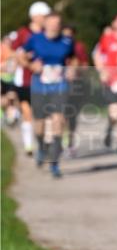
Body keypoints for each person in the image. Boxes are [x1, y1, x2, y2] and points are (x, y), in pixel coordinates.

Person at [17, 12, 76, 178]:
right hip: (40, 86)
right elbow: (20, 56)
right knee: (40, 123)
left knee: (58, 121)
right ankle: (42, 147)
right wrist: (30, 65)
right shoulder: (35, 39)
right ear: (45, 24)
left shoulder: (67, 41)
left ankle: (54, 163)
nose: (54, 27)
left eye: (57, 24)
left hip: (59, 86)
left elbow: (73, 59)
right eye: (51, 23)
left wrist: (71, 69)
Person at [11, 1, 51, 156]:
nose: (46, 18)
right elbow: (14, 51)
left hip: (44, 79)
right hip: (25, 79)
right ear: (35, 16)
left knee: (43, 113)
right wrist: (26, 60)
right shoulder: (23, 32)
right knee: (27, 112)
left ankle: (43, 141)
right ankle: (29, 145)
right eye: (44, 15)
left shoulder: (48, 32)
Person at [94, 14, 117, 149]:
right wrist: (101, 70)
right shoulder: (107, 38)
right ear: (114, 23)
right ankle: (110, 129)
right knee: (115, 113)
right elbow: (97, 54)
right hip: (111, 80)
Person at [61, 23, 89, 157]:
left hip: (76, 85)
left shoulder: (79, 47)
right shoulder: (57, 47)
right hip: (60, 85)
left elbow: (85, 66)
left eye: (70, 34)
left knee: (72, 116)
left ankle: (70, 142)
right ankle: (61, 140)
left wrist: (77, 69)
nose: (68, 37)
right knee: (61, 115)